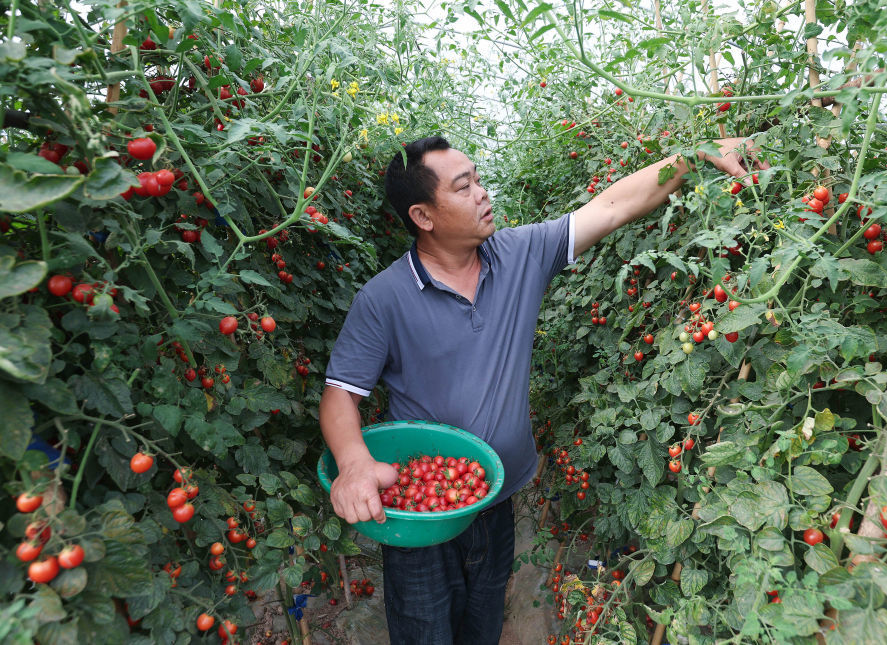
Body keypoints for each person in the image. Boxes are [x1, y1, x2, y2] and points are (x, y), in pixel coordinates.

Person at [320, 134, 768, 644]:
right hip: (418, 516)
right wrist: (354, 464)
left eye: (478, 179)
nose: (482, 193)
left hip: (495, 497)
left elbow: (613, 206)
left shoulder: (519, 255)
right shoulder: (382, 299)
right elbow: (341, 394)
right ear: (423, 216)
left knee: (484, 627)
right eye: (464, 187)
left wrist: (698, 156)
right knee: (424, 632)